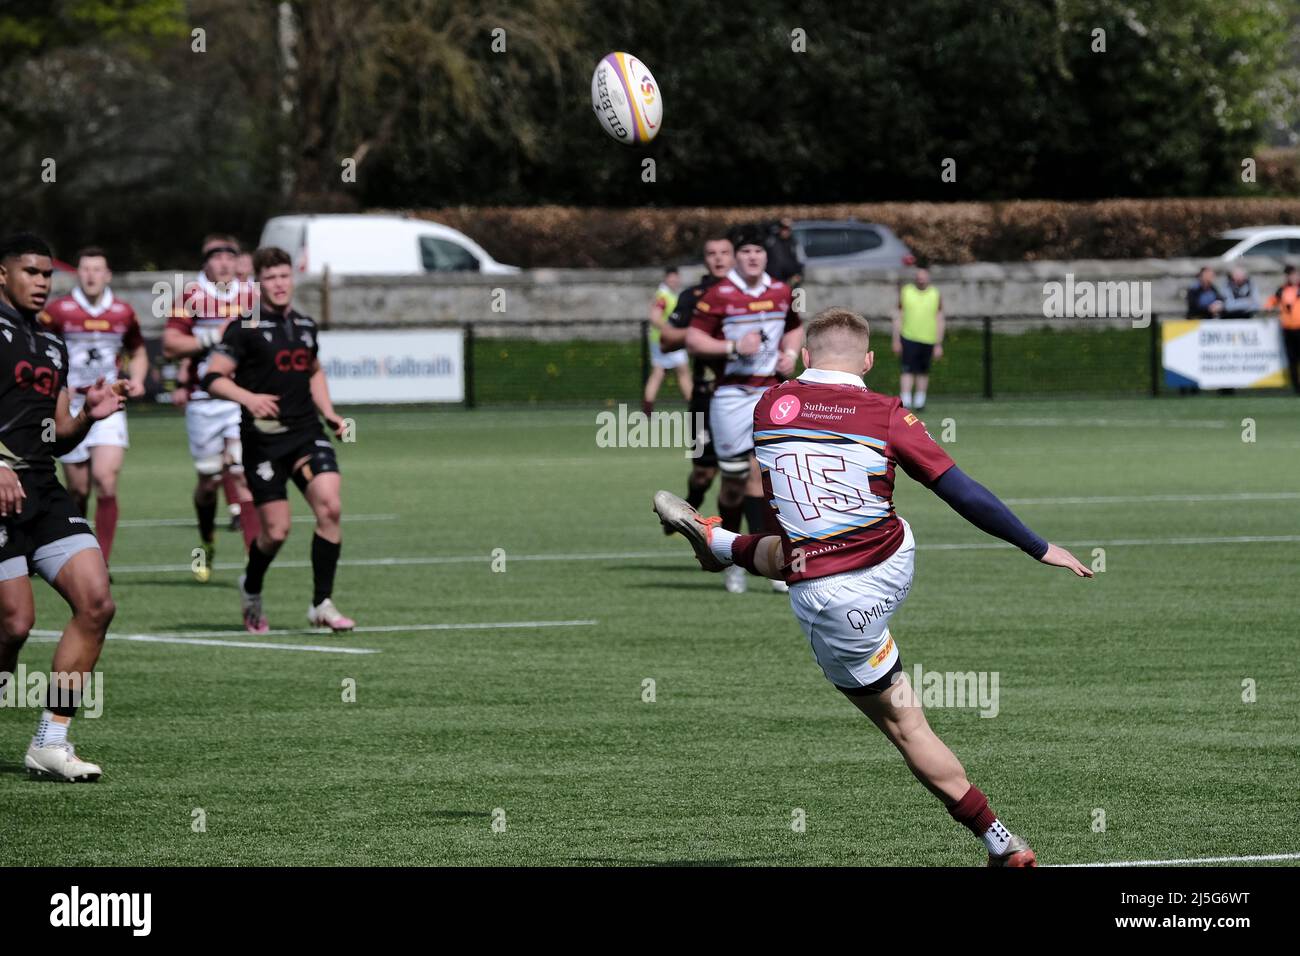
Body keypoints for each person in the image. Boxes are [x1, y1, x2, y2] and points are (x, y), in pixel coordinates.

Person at [654, 306, 1092, 865]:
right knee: (843, 543)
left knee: (905, 724)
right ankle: (716, 545)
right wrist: (1039, 546)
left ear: (806, 357)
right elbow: (961, 491)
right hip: (892, 562)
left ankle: (1001, 843)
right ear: (869, 361)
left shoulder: (769, 405)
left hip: (830, 600)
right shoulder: (887, 412)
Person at [0, 232, 127, 781]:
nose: (43, 283)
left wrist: (89, 415)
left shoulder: (52, 342)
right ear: (2, 275)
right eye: (31, 272)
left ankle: (51, 742)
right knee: (14, 625)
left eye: (48, 274)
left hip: (42, 491)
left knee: (97, 602)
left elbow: (57, 434)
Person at [203, 246, 355, 633]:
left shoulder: (305, 325)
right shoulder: (244, 327)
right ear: (257, 283)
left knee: (331, 508)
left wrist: (330, 413)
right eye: (270, 278)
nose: (279, 284)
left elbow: (314, 371)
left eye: (284, 276)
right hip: (263, 442)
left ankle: (322, 603)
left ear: (292, 278)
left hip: (306, 433)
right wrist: (249, 398)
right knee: (276, 532)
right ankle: (251, 587)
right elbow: (213, 376)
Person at [686, 225, 802, 594]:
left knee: (769, 478)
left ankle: (770, 561)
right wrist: (733, 347)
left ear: (766, 256)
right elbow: (693, 339)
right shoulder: (719, 293)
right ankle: (728, 556)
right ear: (737, 256)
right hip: (732, 396)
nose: (753, 257)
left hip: (771, 393)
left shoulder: (781, 291)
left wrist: (790, 355)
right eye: (746, 251)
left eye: (759, 251)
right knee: (733, 482)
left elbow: (795, 327)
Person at [39, 247, 147, 568]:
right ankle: (76, 551)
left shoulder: (123, 312)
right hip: (69, 405)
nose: (91, 275)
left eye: (97, 269)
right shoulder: (59, 311)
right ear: (78, 273)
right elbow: (41, 349)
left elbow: (138, 350)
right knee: (78, 490)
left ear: (108, 274)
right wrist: (54, 382)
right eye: (85, 269)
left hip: (108, 404)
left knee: (106, 479)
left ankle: (102, 560)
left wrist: (138, 378)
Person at [162, 234, 260, 581]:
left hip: (239, 398)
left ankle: (253, 564)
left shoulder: (252, 295)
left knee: (242, 473)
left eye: (228, 256)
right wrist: (212, 338)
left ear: (237, 261)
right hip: (203, 401)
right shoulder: (190, 295)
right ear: (206, 262)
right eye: (215, 256)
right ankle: (207, 540)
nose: (222, 262)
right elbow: (171, 344)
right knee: (208, 481)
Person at [658, 236, 734, 527]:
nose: (718, 258)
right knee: (704, 472)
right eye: (711, 253)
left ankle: (736, 549)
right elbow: (665, 340)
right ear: (705, 259)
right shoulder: (694, 295)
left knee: (745, 473)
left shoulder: (751, 294)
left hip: (748, 392)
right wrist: (702, 332)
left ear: (734, 257)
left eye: (724, 252)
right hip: (707, 395)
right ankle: (689, 503)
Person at [891, 266, 944, 411]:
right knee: (907, 370)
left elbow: (939, 318)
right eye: (918, 276)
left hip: (928, 339)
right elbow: (898, 316)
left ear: (928, 278)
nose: (921, 279)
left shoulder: (935, 294)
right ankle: (906, 400)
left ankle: (920, 401)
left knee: (923, 371)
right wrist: (895, 339)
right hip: (908, 337)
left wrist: (939, 343)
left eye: (924, 276)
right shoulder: (906, 291)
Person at [643, 267, 691, 414]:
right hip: (667, 340)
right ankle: (694, 405)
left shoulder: (668, 294)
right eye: (671, 277)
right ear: (666, 278)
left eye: (676, 277)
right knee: (683, 371)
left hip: (662, 339)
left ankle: (647, 410)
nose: (674, 280)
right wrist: (671, 331)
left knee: (659, 372)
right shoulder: (664, 296)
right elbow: (655, 317)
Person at [1264, 264, 1300, 393]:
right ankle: (1296, 387)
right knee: (1292, 359)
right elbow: (1271, 302)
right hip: (1288, 329)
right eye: (1290, 275)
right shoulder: (1282, 290)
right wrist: (1268, 307)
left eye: (1294, 274)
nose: (1293, 277)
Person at [764, 218, 804, 287]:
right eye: (783, 228)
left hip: (790, 281)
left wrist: (799, 275)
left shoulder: (794, 243)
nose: (785, 231)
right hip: (773, 280)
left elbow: (800, 261)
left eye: (787, 229)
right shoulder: (771, 241)